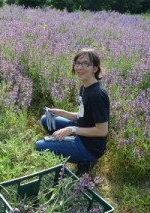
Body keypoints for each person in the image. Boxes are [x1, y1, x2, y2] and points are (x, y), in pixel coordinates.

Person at [35, 48, 110, 176]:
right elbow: (82, 116)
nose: (79, 67)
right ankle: (73, 150)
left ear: (95, 69)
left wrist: (71, 129)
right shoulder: (84, 87)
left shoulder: (98, 95)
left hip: (90, 147)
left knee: (39, 146)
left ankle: (85, 160)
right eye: (77, 63)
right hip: (81, 133)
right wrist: (61, 112)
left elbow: (102, 131)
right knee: (45, 119)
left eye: (86, 64)